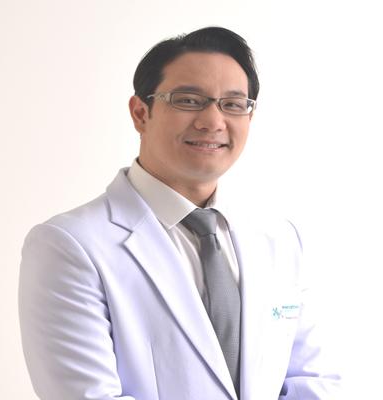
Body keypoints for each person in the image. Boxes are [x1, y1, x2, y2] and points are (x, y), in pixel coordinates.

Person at [19, 26, 341, 400]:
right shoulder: (68, 246)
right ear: (140, 113)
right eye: (188, 100)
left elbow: (315, 380)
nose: (213, 122)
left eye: (233, 104)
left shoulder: (279, 238)